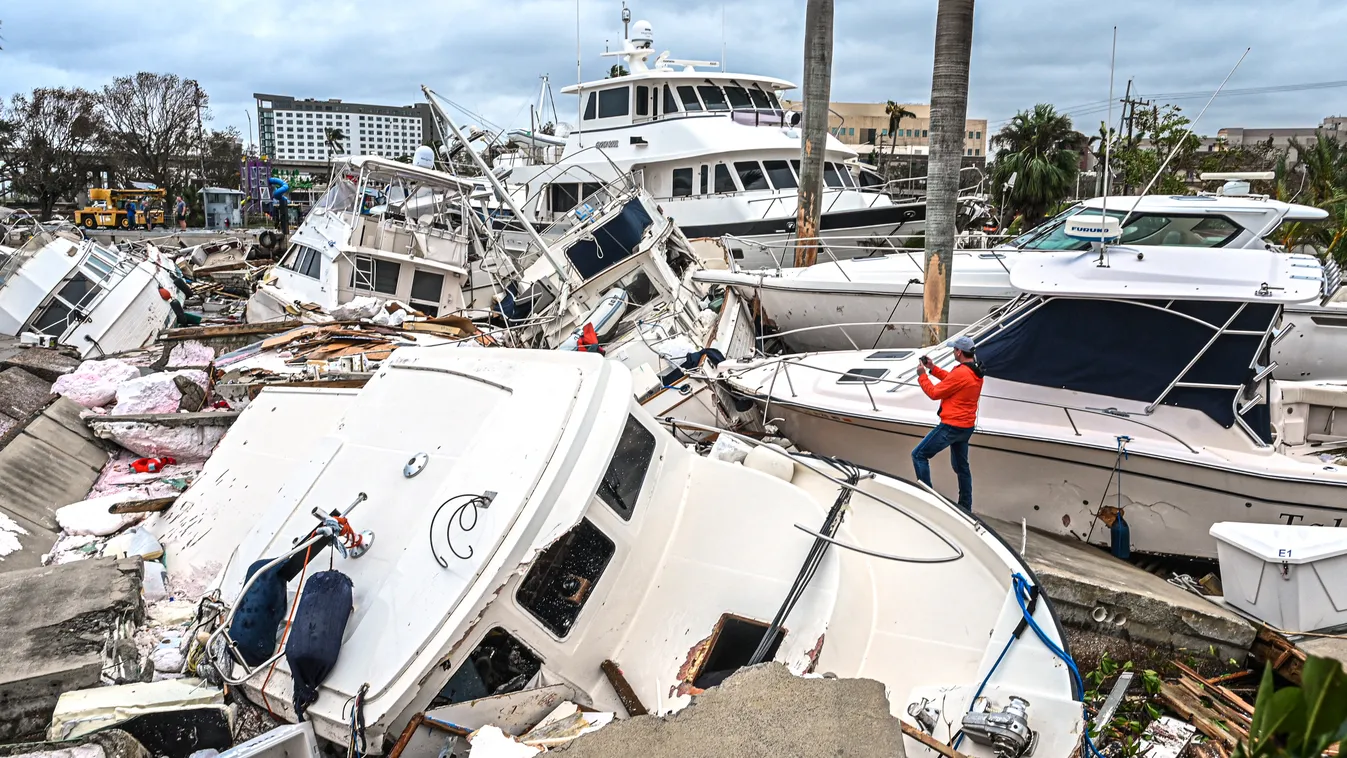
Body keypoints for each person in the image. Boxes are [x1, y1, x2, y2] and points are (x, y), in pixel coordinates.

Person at [912, 334, 986, 511]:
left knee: (919, 455)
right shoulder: (974, 371)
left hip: (951, 426)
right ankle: (965, 506)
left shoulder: (961, 372)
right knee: (962, 467)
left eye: (954, 349)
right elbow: (952, 381)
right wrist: (932, 368)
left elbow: (934, 393)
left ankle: (928, 498)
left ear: (959, 352)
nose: (953, 351)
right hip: (966, 427)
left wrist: (922, 375)